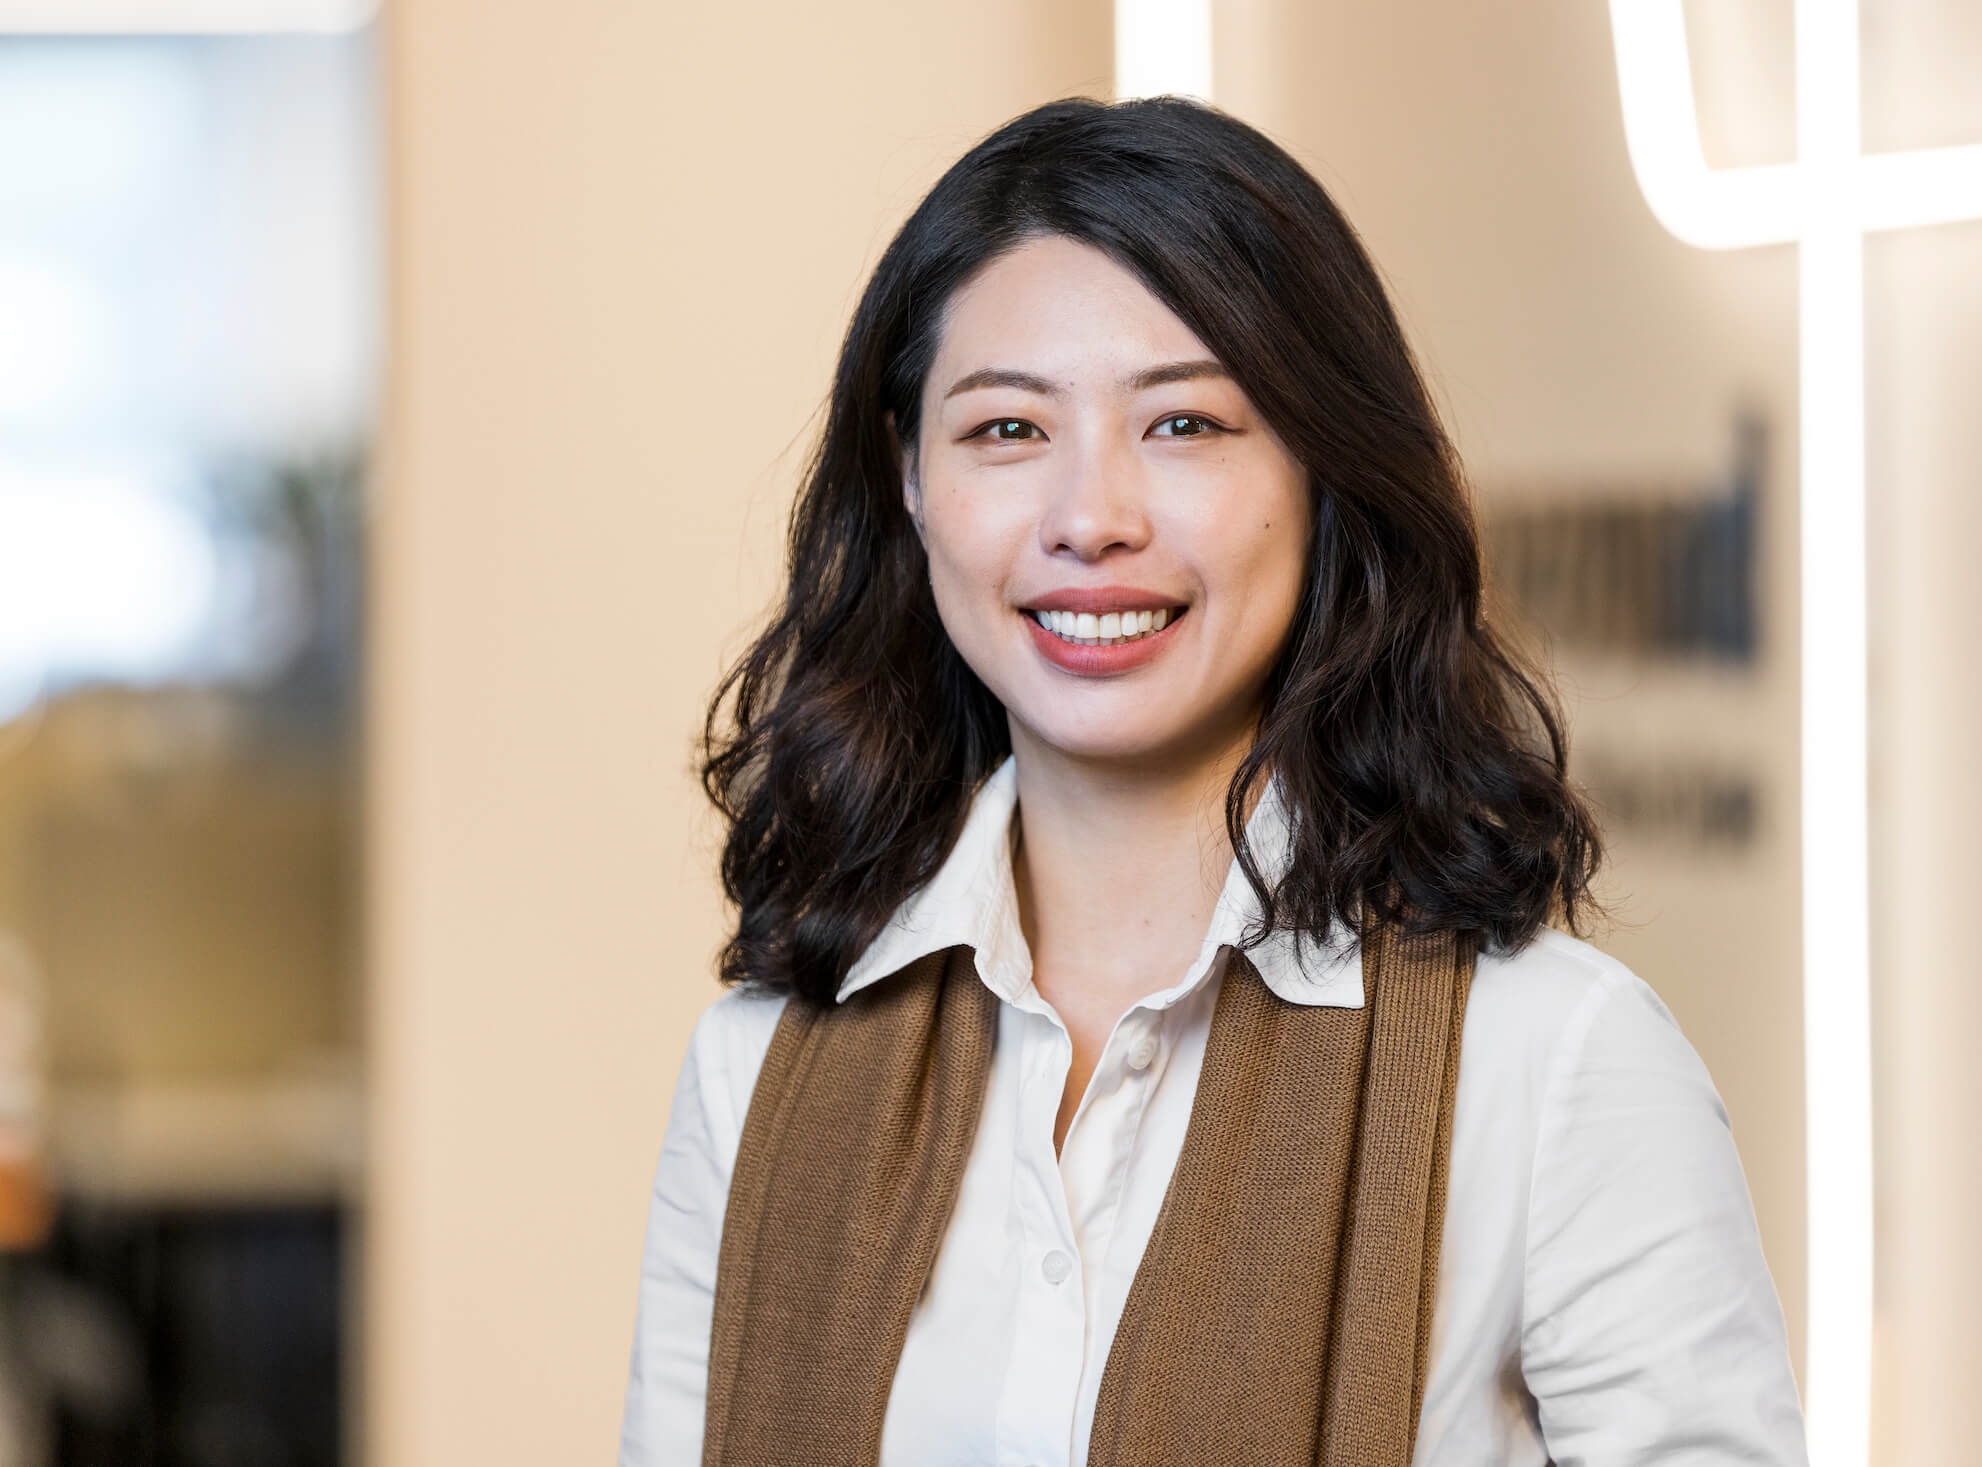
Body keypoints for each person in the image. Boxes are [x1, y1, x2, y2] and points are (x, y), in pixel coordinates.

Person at [618, 96, 1805, 1466]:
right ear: (909, 483)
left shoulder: (1554, 1063)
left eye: (1184, 425)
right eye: (1007, 431)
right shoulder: (756, 1070)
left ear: (1321, 469)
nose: (1091, 518)